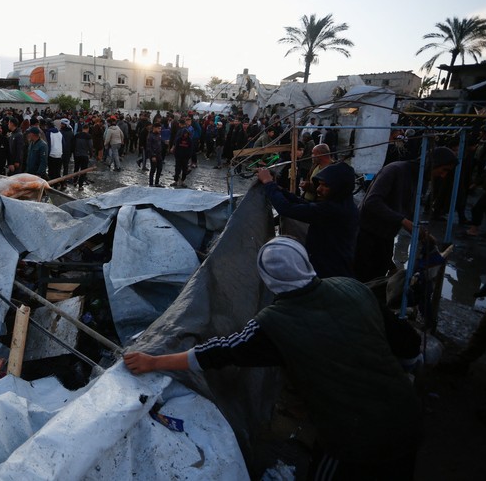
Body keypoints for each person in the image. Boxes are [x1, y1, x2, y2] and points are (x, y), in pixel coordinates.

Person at [124, 237, 422, 480]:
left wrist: (153, 362)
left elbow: (216, 352)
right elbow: (409, 343)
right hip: (409, 415)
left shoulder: (273, 323)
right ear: (306, 263)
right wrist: (406, 373)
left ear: (267, 280)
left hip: (354, 438)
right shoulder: (353, 288)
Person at [355, 146, 458, 282]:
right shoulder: (395, 170)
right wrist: (403, 221)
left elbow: (406, 209)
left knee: (378, 278)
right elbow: (371, 202)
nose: (443, 175)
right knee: (362, 280)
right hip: (365, 235)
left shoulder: (418, 179)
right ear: (434, 163)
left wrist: (420, 232)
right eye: (444, 170)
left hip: (385, 236)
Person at [257, 162, 358, 278]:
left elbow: (287, 209)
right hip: (331, 263)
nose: (319, 189)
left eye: (325, 185)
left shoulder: (333, 210)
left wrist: (268, 183)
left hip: (331, 270)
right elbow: (305, 204)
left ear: (339, 187)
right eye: (319, 185)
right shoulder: (342, 202)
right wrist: (279, 190)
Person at [73, 123, 93, 188]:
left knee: (76, 168)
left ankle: (75, 181)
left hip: (77, 155)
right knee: (83, 170)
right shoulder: (88, 136)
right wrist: (91, 154)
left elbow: (73, 144)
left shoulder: (76, 135)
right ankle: (80, 185)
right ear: (87, 129)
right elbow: (90, 146)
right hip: (84, 155)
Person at [147, 122, 164, 187]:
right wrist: (153, 155)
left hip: (159, 154)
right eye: (158, 128)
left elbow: (159, 143)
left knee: (159, 168)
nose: (160, 130)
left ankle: (157, 182)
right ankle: (151, 183)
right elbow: (149, 147)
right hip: (153, 155)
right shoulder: (150, 136)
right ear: (154, 128)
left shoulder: (159, 134)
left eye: (160, 128)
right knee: (153, 169)